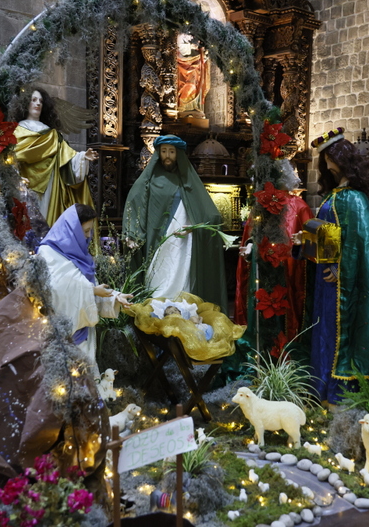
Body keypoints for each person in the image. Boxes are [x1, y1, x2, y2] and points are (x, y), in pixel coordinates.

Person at [292, 130, 369, 406]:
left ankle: (340, 393)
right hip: (327, 279)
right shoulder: (336, 195)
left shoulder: (353, 198)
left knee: (339, 334)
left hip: (342, 282)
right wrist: (306, 240)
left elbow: (366, 241)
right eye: (325, 158)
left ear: (340, 159)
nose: (326, 163)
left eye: (329, 157)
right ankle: (324, 390)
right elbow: (331, 235)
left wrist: (343, 270)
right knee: (325, 331)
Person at [122, 134, 227, 309]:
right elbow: (135, 203)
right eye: (164, 151)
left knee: (182, 280)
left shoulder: (188, 179)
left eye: (172, 151)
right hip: (158, 240)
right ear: (158, 153)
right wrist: (132, 231)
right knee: (158, 279)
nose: (168, 155)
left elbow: (211, 215)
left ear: (178, 154)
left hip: (183, 241)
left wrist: (194, 227)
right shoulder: (149, 179)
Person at [37, 204, 132, 374]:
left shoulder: (80, 255)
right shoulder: (47, 253)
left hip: (84, 333)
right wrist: (92, 291)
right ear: (71, 230)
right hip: (61, 338)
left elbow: (88, 287)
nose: (89, 237)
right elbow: (55, 290)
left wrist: (114, 297)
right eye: (86, 231)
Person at [235, 159, 313, 355]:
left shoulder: (298, 206)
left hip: (288, 269)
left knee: (285, 309)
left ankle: (283, 347)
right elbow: (252, 237)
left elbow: (310, 240)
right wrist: (251, 248)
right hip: (265, 270)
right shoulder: (262, 208)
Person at [12, 89, 98, 226]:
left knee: (45, 218)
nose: (38, 104)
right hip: (25, 185)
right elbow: (10, 158)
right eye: (33, 100)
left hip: (48, 186)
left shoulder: (52, 134)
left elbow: (67, 158)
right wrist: (14, 177)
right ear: (24, 104)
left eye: (40, 101)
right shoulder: (16, 131)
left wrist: (83, 157)